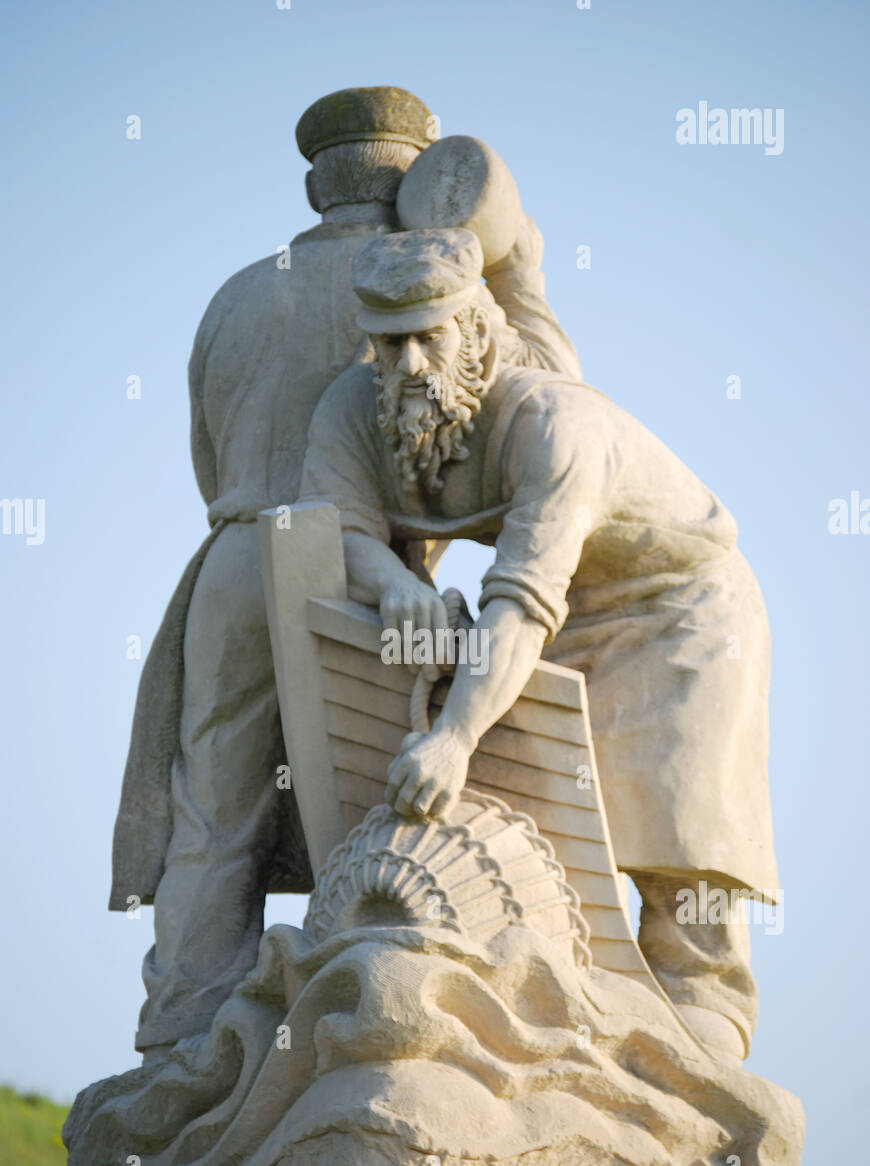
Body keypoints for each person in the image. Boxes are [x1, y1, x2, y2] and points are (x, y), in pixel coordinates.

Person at [109, 90, 582, 1058]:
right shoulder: (426, 280)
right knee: (377, 792)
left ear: (319, 181)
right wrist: (522, 269)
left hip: (239, 559)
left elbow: (207, 453)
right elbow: (551, 390)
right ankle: (375, 1025)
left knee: (215, 810)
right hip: (359, 568)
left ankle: (184, 1042)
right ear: (410, 179)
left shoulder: (239, 295)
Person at [297, 227, 780, 1063]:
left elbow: (518, 603)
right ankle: (575, 987)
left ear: (475, 330)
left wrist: (452, 738)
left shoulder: (554, 425)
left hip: (682, 605)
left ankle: (706, 1012)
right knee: (548, 800)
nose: (408, 363)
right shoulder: (357, 404)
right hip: (563, 601)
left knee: (674, 817)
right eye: (388, 341)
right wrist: (395, 582)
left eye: (428, 336)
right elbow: (332, 524)